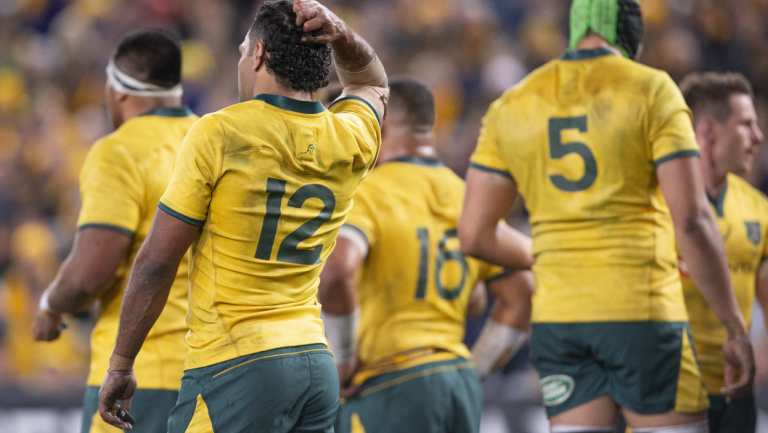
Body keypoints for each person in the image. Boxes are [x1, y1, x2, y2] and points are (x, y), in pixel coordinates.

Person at [458, 1, 755, 432]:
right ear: (631, 35)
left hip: (560, 319)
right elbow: (692, 219)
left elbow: (474, 234)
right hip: (641, 311)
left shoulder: (513, 103)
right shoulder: (651, 89)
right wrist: (733, 327)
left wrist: (551, 256)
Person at [96, 1, 388, 432]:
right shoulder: (351, 135)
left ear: (259, 55)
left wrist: (120, 363)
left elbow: (157, 262)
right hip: (313, 358)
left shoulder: (221, 131)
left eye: (241, 50)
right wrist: (340, 33)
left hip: (235, 363)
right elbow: (371, 80)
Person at [319, 78, 533, 433]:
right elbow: (522, 294)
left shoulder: (370, 192)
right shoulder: (466, 198)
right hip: (457, 381)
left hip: (390, 380)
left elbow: (338, 270)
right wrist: (472, 370)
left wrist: (341, 362)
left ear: (380, 126)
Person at [31, 29, 196, 433]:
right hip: (210, 373)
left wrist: (52, 305)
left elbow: (92, 270)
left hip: (137, 375)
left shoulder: (118, 150)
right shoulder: (211, 140)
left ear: (118, 90)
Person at [679, 72, 766, 433]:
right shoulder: (653, 206)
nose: (758, 137)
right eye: (746, 125)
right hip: (668, 395)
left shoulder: (759, 210)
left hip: (736, 391)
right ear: (709, 131)